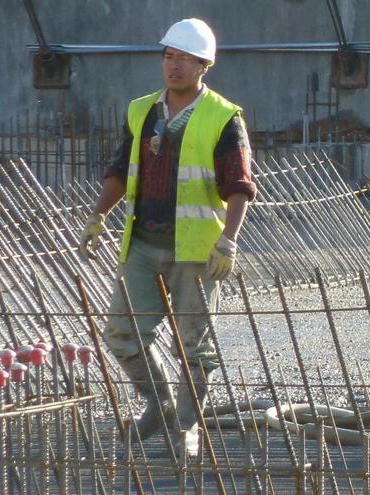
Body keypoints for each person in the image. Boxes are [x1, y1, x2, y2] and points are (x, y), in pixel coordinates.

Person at [77, 18, 256, 454]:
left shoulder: (222, 117)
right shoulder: (142, 111)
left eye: (184, 59)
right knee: (123, 332)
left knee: (194, 346)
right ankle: (159, 401)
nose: (173, 66)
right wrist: (98, 215)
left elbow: (239, 186)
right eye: (168, 56)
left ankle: (187, 426)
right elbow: (121, 171)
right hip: (142, 243)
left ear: (204, 66)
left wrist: (228, 240)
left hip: (195, 250)